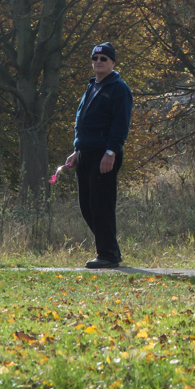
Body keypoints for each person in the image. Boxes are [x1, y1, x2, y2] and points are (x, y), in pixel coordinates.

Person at [62, 42, 133, 269]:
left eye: (104, 58)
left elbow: (120, 125)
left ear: (113, 62)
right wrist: (77, 150)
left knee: (101, 204)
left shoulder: (119, 89)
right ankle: (109, 248)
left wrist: (111, 152)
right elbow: (82, 122)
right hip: (86, 153)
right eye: (95, 58)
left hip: (104, 154)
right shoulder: (92, 86)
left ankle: (108, 254)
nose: (99, 62)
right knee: (87, 205)